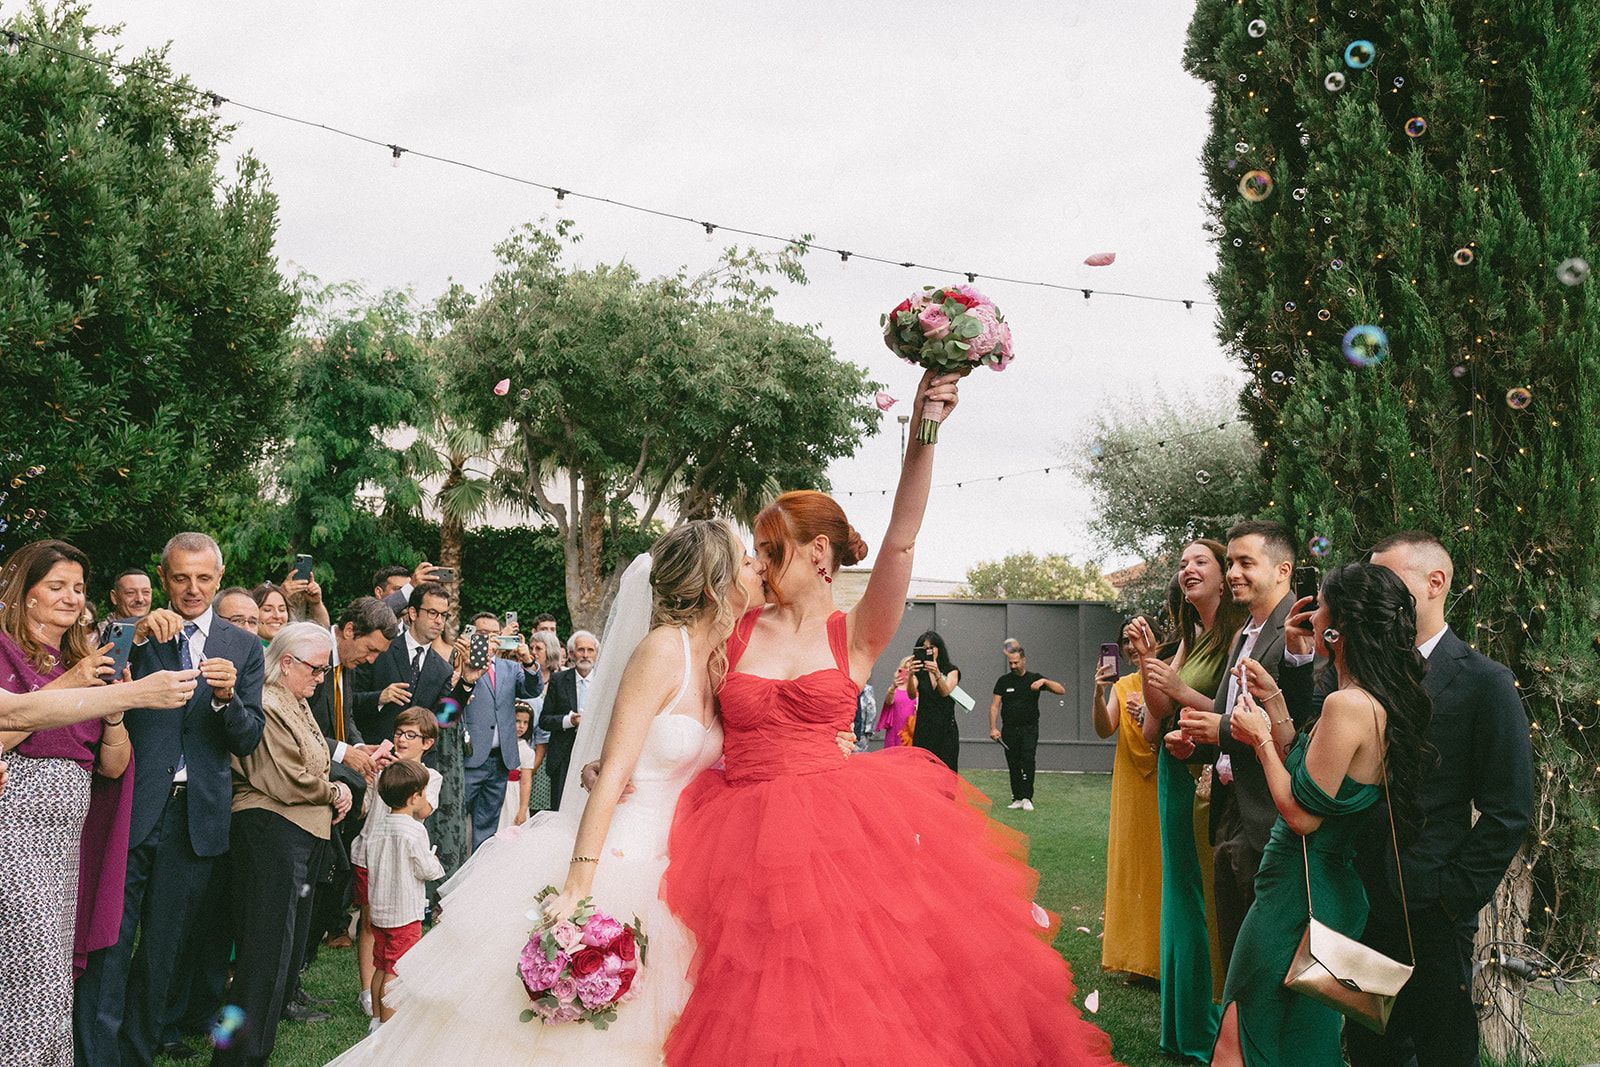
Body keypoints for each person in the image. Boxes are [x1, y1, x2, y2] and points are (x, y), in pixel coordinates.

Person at [659, 369, 1118, 1065]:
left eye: (769, 549)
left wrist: (924, 429)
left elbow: (901, 542)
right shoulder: (736, 626)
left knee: (845, 995)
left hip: (833, 837)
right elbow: (683, 692)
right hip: (735, 835)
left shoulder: (856, 634)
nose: (754, 561)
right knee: (744, 997)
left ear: (818, 553)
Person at [325, 520, 754, 1064]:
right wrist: (578, 885)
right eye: (745, 559)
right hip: (604, 844)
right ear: (717, 582)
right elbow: (447, 718)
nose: (756, 567)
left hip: (672, 856)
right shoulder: (663, 651)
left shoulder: (717, 656)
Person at [1211, 562, 1435, 1067]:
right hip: (1327, 892)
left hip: (1295, 892)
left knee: (1240, 1032)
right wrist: (1272, 699)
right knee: (1300, 1042)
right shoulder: (1374, 702)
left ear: (1336, 631)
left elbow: (1301, 816)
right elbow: (1314, 784)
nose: (1309, 616)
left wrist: (1259, 739)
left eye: (1321, 609)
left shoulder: (1346, 705)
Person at [74, 532, 265, 1067]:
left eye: (204, 578)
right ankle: (95, 1057)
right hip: (130, 807)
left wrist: (227, 700)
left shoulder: (244, 645)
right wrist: (133, 634)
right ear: (163, 578)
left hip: (195, 818)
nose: (193, 588)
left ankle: (136, 1055)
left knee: (163, 953)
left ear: (220, 578)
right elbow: (93, 682)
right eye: (181, 577)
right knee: (109, 944)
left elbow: (247, 738)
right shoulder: (138, 630)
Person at [1341, 532, 1532, 1067]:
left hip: (1433, 907)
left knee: (1442, 1048)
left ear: (1435, 583)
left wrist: (1453, 896)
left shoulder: (1485, 682)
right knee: (1370, 1049)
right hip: (1359, 897)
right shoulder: (1362, 671)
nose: (1375, 593)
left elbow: (1509, 808)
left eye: (1388, 580)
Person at [0, 540, 132, 1066]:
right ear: (23, 594)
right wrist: (71, 686)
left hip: (66, 842)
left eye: (78, 588)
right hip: (15, 826)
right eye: (56, 586)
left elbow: (113, 766)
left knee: (52, 974)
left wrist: (116, 705)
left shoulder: (82, 659)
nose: (71, 598)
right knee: (30, 969)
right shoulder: (3, 651)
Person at [1167, 521, 1313, 972]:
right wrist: (1199, 745)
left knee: (1264, 965)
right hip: (1230, 811)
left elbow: (1301, 723)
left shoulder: (1299, 629)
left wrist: (1222, 730)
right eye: (1230, 562)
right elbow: (1227, 720)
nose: (1233, 573)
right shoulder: (1243, 633)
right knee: (1233, 959)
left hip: (1270, 817)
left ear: (1283, 570)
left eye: (1245, 563)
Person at [216, 622, 353, 1067]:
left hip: (298, 832)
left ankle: (255, 1051)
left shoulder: (296, 700)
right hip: (270, 832)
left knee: (283, 955)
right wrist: (333, 791)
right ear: (287, 662)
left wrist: (336, 786)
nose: (320, 678)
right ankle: (236, 1056)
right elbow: (285, 777)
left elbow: (313, 763)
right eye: (315, 669)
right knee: (263, 955)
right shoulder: (269, 700)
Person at [1132, 543, 1247, 1060]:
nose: (1187, 570)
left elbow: (1230, 714)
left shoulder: (1238, 635)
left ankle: (1208, 1024)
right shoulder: (1190, 636)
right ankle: (1182, 1026)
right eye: (1181, 564)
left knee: (1200, 897)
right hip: (1173, 772)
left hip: (1207, 777)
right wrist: (1146, 662)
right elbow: (1157, 716)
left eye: (1200, 562)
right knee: (1181, 895)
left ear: (1224, 577)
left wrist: (1178, 686)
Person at [299, 598, 398, 978]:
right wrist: (344, 752)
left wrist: (358, 748)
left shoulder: (348, 667)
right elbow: (298, 726)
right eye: (370, 649)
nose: (372, 660)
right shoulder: (314, 659)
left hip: (336, 789)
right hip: (310, 788)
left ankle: (298, 974)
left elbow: (347, 716)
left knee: (329, 881)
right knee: (321, 881)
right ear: (350, 630)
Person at [351, 707, 442, 1013]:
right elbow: (363, 809)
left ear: (426, 743)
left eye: (411, 735)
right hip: (371, 851)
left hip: (401, 861)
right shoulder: (380, 769)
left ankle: (382, 1002)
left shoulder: (431, 776)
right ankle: (367, 992)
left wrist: (404, 778)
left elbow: (424, 811)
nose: (402, 740)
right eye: (399, 733)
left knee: (393, 936)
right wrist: (373, 774)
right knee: (370, 922)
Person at [1092, 631, 1161, 981]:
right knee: (1134, 863)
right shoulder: (1123, 685)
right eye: (1126, 642)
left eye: (1138, 640)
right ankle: (1136, 958)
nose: (1132, 648)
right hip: (1132, 785)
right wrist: (1099, 692)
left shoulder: (1166, 678)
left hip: (1164, 779)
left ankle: (1160, 957)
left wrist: (1151, 713)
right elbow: (1105, 729)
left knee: (1161, 866)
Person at [363, 759, 445, 1026]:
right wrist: (435, 859)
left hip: (380, 911)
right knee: (396, 971)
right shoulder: (414, 830)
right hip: (404, 913)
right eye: (422, 792)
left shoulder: (377, 828)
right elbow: (427, 869)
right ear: (413, 798)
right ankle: (388, 1028)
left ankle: (375, 1019)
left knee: (381, 965)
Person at [456, 612, 541, 848]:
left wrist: (529, 661)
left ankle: (478, 874)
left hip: (500, 760)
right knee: (456, 821)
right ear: (471, 635)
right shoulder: (461, 663)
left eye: (495, 635)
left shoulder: (509, 668)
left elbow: (533, 691)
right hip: (469, 757)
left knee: (487, 827)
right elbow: (449, 709)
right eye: (484, 635)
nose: (491, 639)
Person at [350, 582, 455, 746]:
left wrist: (467, 683)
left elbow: (444, 720)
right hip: (373, 754)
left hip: (418, 763)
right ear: (413, 613)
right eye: (433, 613)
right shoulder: (380, 650)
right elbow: (347, 702)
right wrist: (379, 698)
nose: (439, 621)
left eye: (444, 615)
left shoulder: (444, 669)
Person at [989, 642, 1064, 810]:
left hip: (1029, 728)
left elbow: (1061, 690)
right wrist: (993, 728)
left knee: (1028, 759)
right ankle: (1016, 797)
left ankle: (1027, 797)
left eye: (1016, 662)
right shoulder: (1003, 681)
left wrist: (1044, 681)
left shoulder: (1034, 678)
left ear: (1024, 660)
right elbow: (994, 705)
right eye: (1010, 663)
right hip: (1009, 728)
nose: (1013, 666)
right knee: (1013, 762)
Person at [537, 629, 599, 812]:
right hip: (564, 755)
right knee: (561, 808)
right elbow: (545, 720)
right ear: (571, 653)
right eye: (581, 650)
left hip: (595, 752)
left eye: (590, 650)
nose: (585, 655)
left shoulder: (606, 681)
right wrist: (569, 721)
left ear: (596, 653)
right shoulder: (558, 680)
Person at [908, 629, 961, 771]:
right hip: (925, 727)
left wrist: (937, 673)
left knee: (947, 769)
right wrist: (910, 675)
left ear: (939, 649)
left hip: (946, 728)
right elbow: (912, 694)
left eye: (931, 648)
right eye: (924, 649)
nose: (928, 651)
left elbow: (945, 692)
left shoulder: (951, 670)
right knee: (923, 771)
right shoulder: (919, 672)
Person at [497, 703, 540, 831]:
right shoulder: (497, 744)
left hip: (512, 795)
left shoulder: (526, 751)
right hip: (496, 789)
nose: (521, 726)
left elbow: (526, 782)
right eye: (517, 721)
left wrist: (522, 809)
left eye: (525, 722)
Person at [874, 656, 917, 748]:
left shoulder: (918, 688)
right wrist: (893, 687)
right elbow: (888, 702)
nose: (907, 672)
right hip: (895, 729)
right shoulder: (895, 687)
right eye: (905, 669)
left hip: (911, 728)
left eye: (910, 669)